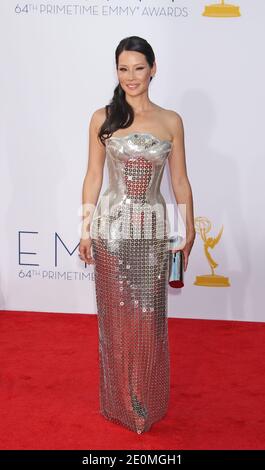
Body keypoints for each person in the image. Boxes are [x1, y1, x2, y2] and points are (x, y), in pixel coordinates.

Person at [79, 36, 196, 434]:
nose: (131, 77)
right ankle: (118, 401)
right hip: (111, 231)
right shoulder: (102, 118)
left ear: (153, 68)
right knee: (115, 321)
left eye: (139, 68)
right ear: (116, 71)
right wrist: (85, 227)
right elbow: (94, 176)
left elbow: (179, 180)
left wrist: (190, 227)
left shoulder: (171, 120)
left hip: (152, 235)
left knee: (149, 321)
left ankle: (146, 397)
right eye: (123, 69)